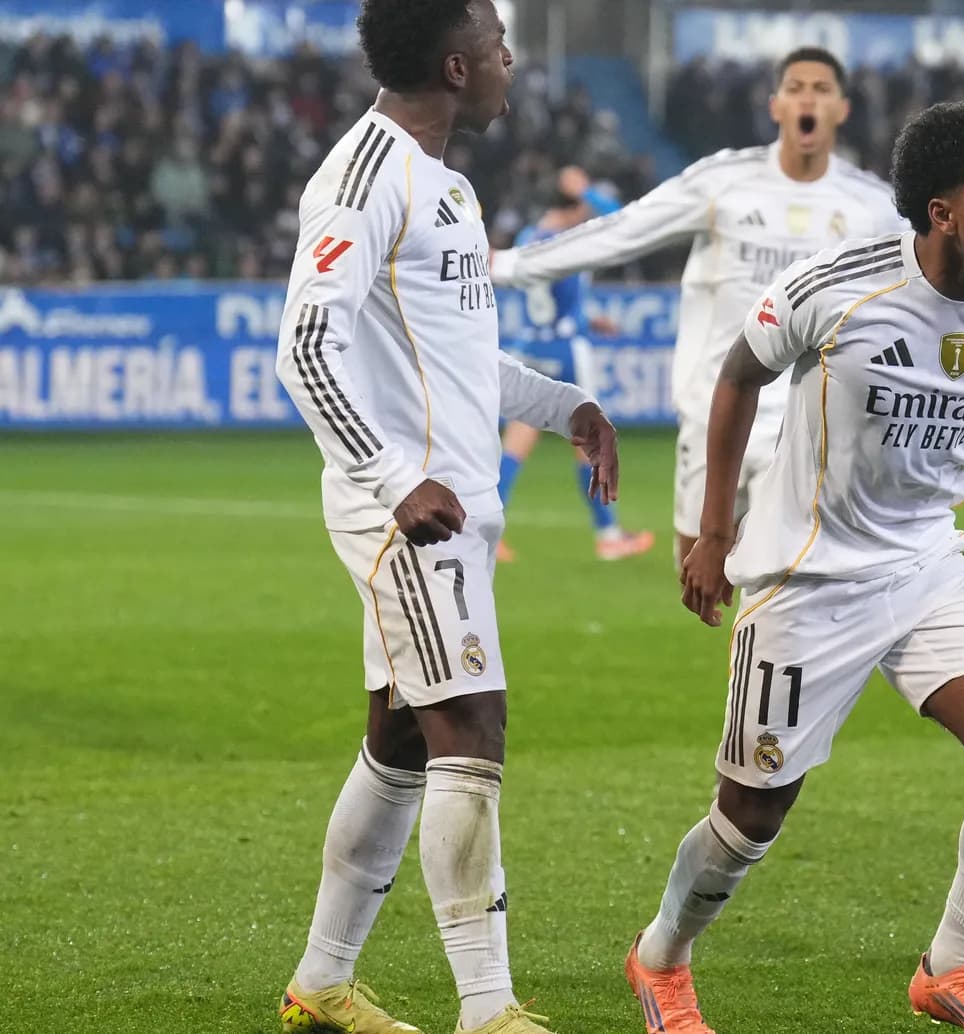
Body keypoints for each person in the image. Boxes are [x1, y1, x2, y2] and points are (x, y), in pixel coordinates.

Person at [621, 101, 964, 1034]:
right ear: (941, 212)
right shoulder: (839, 288)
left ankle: (951, 968)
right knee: (751, 814)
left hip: (924, 567)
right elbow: (737, 377)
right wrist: (713, 535)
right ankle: (661, 958)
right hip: (806, 577)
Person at [273, 3, 622, 1032]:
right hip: (408, 514)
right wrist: (389, 479)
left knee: (402, 745)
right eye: (502, 45)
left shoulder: (448, 187)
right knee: (473, 722)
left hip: (449, 505)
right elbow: (303, 346)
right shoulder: (365, 176)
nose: (513, 61)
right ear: (459, 64)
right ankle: (489, 1006)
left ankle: (321, 982)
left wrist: (567, 406)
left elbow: (463, 361)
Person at [490, 47, 906, 567]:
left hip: (814, 426)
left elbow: (932, 286)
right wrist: (503, 265)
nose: (808, 99)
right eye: (796, 88)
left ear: (842, 109)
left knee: (805, 590)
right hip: (718, 416)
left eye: (822, 90)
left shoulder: (874, 207)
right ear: (776, 105)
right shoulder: (722, 183)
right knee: (700, 575)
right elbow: (624, 231)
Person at [495, 165, 657, 563]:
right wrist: (589, 191)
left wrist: (588, 319)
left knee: (516, 443)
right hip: (568, 350)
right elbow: (625, 219)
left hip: (533, 346)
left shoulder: (529, 237)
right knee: (590, 443)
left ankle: (486, 529)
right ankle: (609, 534)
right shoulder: (570, 239)